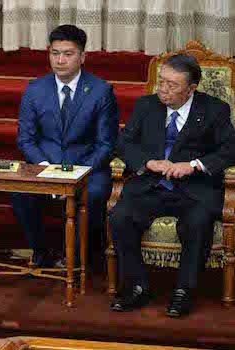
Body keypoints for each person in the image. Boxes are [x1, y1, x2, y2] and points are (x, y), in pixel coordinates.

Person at [109, 54, 235, 317]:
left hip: (195, 189)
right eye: (161, 82)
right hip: (151, 185)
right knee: (121, 216)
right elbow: (123, 143)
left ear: (191, 89)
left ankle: (184, 291)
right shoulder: (146, 105)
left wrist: (195, 164)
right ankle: (137, 286)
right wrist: (148, 162)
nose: (163, 90)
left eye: (172, 85)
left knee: (197, 223)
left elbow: (230, 149)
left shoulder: (215, 109)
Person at [12, 24, 119, 268]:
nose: (60, 60)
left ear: (82, 57)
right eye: (55, 53)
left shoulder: (101, 91)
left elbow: (106, 144)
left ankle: (79, 259)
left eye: (68, 54)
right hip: (44, 167)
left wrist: (74, 175)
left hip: (86, 168)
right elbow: (25, 139)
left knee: (94, 193)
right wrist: (46, 168)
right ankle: (42, 252)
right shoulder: (35, 90)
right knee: (19, 192)